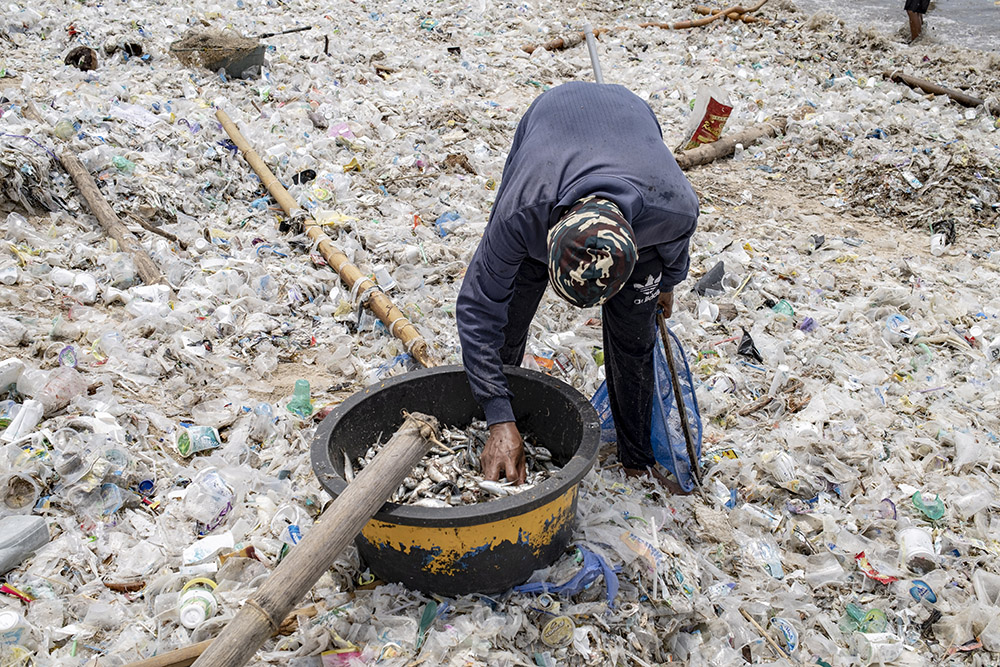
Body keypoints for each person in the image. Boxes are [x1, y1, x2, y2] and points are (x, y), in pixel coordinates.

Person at [455, 81, 699, 489]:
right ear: (547, 238)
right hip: (555, 114)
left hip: (631, 116)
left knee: (635, 336)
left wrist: (665, 283)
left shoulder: (671, 206)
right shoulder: (523, 211)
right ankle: (499, 421)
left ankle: (637, 459)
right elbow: (478, 308)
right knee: (509, 313)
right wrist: (499, 414)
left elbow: (675, 248)